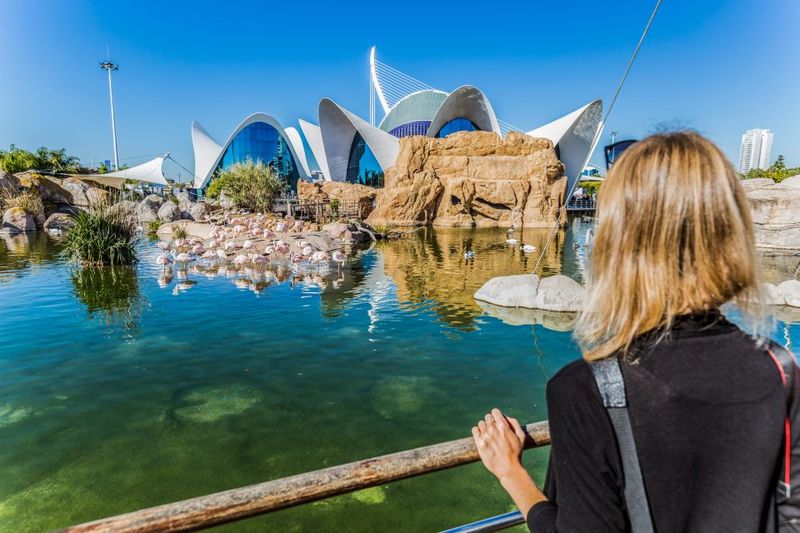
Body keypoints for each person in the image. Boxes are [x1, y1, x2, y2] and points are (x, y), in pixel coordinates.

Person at [472, 131, 798, 532]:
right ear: (730, 234)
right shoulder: (782, 371)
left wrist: (510, 472)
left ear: (617, 241)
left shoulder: (586, 392)